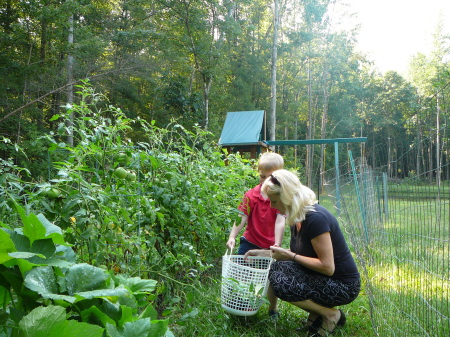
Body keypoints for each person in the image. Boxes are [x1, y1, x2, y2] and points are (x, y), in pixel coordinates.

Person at [244, 169, 360, 336]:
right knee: (276, 269)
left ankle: (330, 315)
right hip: (324, 279)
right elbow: (302, 253)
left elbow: (328, 267)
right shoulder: (297, 215)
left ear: (287, 198)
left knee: (281, 281)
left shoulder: (315, 219)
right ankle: (315, 316)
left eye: (274, 201)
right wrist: (264, 253)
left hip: (343, 285)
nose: (271, 206)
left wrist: (289, 255)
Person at [226, 152, 286, 255]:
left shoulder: (280, 198)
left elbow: (280, 221)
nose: (266, 181)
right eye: (263, 176)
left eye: (271, 178)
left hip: (270, 245)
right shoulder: (251, 195)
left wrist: (277, 244)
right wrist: (232, 236)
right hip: (249, 242)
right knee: (242, 268)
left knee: (268, 270)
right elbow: (242, 216)